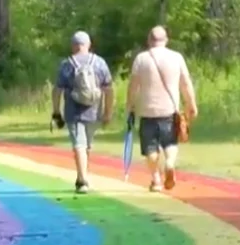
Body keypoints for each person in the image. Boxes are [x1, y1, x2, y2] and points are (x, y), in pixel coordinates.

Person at [126, 25, 197, 192]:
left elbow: (133, 86)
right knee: (170, 143)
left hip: (147, 111)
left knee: (150, 148)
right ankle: (170, 164)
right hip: (169, 110)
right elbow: (185, 83)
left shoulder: (141, 59)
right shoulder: (176, 57)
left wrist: (130, 106)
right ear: (165, 40)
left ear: (149, 40)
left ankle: (156, 180)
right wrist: (191, 104)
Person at [50, 30, 113, 194]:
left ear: (73, 46)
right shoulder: (99, 62)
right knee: (87, 145)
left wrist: (56, 111)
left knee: (79, 144)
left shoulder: (67, 64)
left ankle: (82, 179)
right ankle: (82, 176)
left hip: (74, 111)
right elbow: (108, 89)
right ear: (88, 45)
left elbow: (57, 90)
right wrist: (108, 112)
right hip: (94, 110)